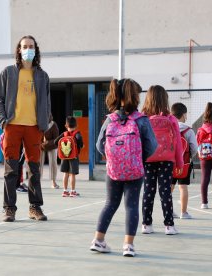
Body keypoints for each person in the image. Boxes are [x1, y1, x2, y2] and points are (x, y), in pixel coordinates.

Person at [90, 79, 157, 257]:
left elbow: (98, 145)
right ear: (134, 97)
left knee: (110, 204)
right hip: (135, 170)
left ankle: (99, 240)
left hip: (113, 171)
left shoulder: (110, 119)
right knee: (131, 206)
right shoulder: (141, 120)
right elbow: (152, 145)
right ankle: (128, 246)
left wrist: (113, 157)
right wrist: (138, 158)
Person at [0, 35, 51, 222]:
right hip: (13, 126)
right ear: (19, 50)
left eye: (31, 46)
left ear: (36, 49)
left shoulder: (42, 76)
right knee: (11, 170)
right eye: (24, 46)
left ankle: (35, 208)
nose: (28, 49)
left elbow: (46, 102)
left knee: (34, 170)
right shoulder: (8, 72)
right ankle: (9, 208)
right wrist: (3, 121)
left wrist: (43, 125)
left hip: (34, 127)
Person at [141, 85, 183, 235]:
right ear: (165, 99)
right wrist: (179, 162)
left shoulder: (142, 118)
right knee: (165, 191)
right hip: (167, 159)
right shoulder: (171, 118)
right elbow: (177, 142)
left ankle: (146, 224)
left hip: (148, 158)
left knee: (148, 191)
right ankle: (169, 225)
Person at [170, 102, 198, 219]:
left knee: (169, 187)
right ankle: (184, 212)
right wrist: (189, 156)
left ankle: (169, 211)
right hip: (184, 163)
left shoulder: (169, 128)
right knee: (183, 187)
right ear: (184, 115)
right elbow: (194, 148)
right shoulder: (188, 131)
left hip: (170, 162)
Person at [54, 116, 83, 197]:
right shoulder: (77, 133)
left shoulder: (64, 134)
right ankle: (73, 191)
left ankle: (65, 191)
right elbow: (79, 139)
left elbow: (56, 141)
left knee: (65, 173)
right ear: (76, 125)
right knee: (72, 174)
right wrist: (80, 145)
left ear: (66, 126)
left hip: (64, 157)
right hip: (74, 157)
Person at [40, 114, 60, 189]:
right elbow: (36, 135)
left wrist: (47, 143)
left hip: (52, 146)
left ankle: (53, 182)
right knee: (38, 163)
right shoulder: (39, 123)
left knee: (53, 163)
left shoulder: (53, 125)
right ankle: (38, 181)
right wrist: (41, 143)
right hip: (41, 146)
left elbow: (56, 139)